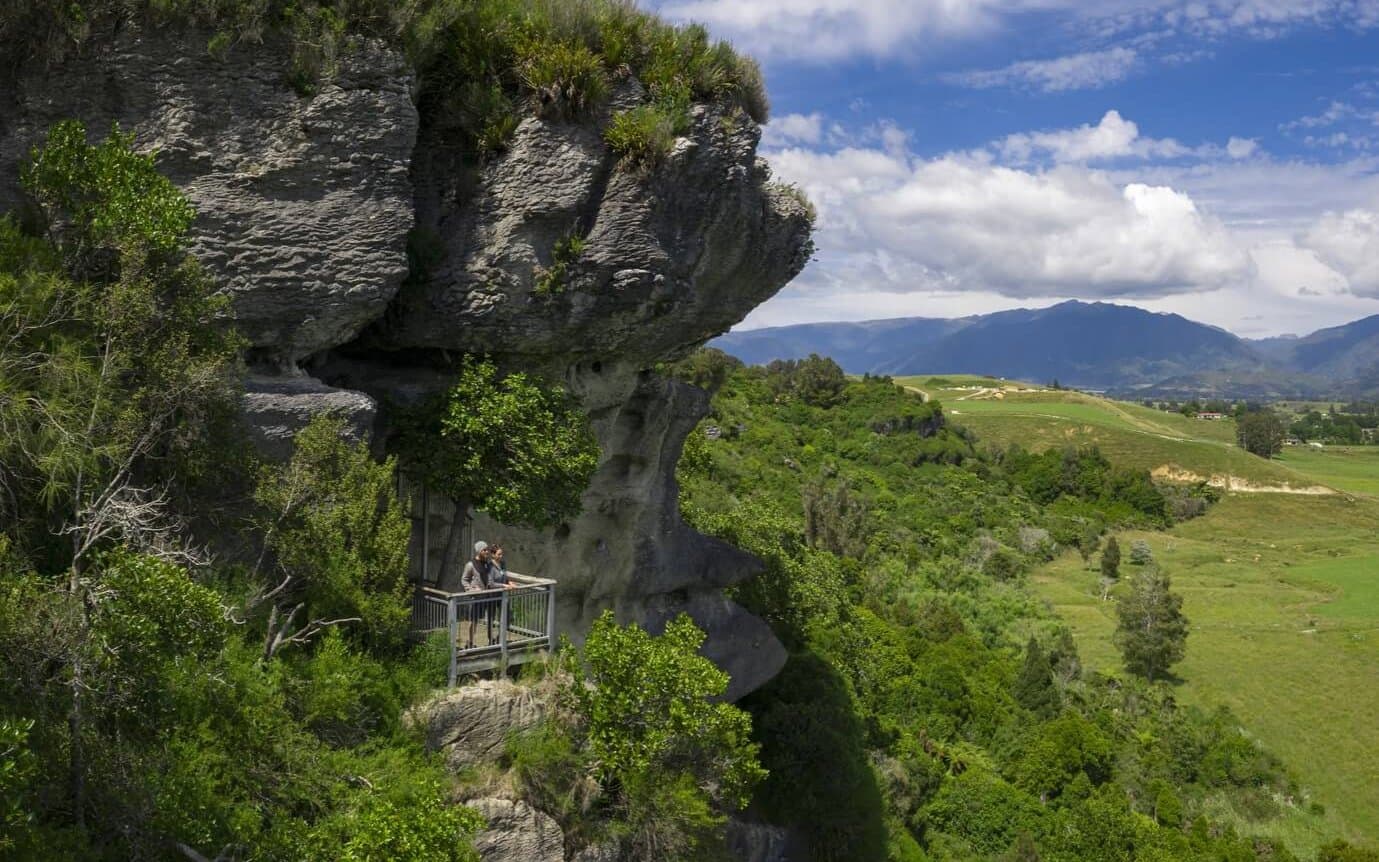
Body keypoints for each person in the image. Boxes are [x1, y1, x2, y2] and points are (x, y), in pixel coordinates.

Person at [461, 541, 492, 649]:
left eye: (487, 549)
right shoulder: (471, 565)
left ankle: (491, 640)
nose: (487, 552)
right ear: (479, 551)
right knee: (473, 620)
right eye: (484, 550)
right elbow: (464, 580)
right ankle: (470, 642)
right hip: (476, 597)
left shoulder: (487, 563)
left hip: (487, 596)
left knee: (489, 619)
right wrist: (471, 589)